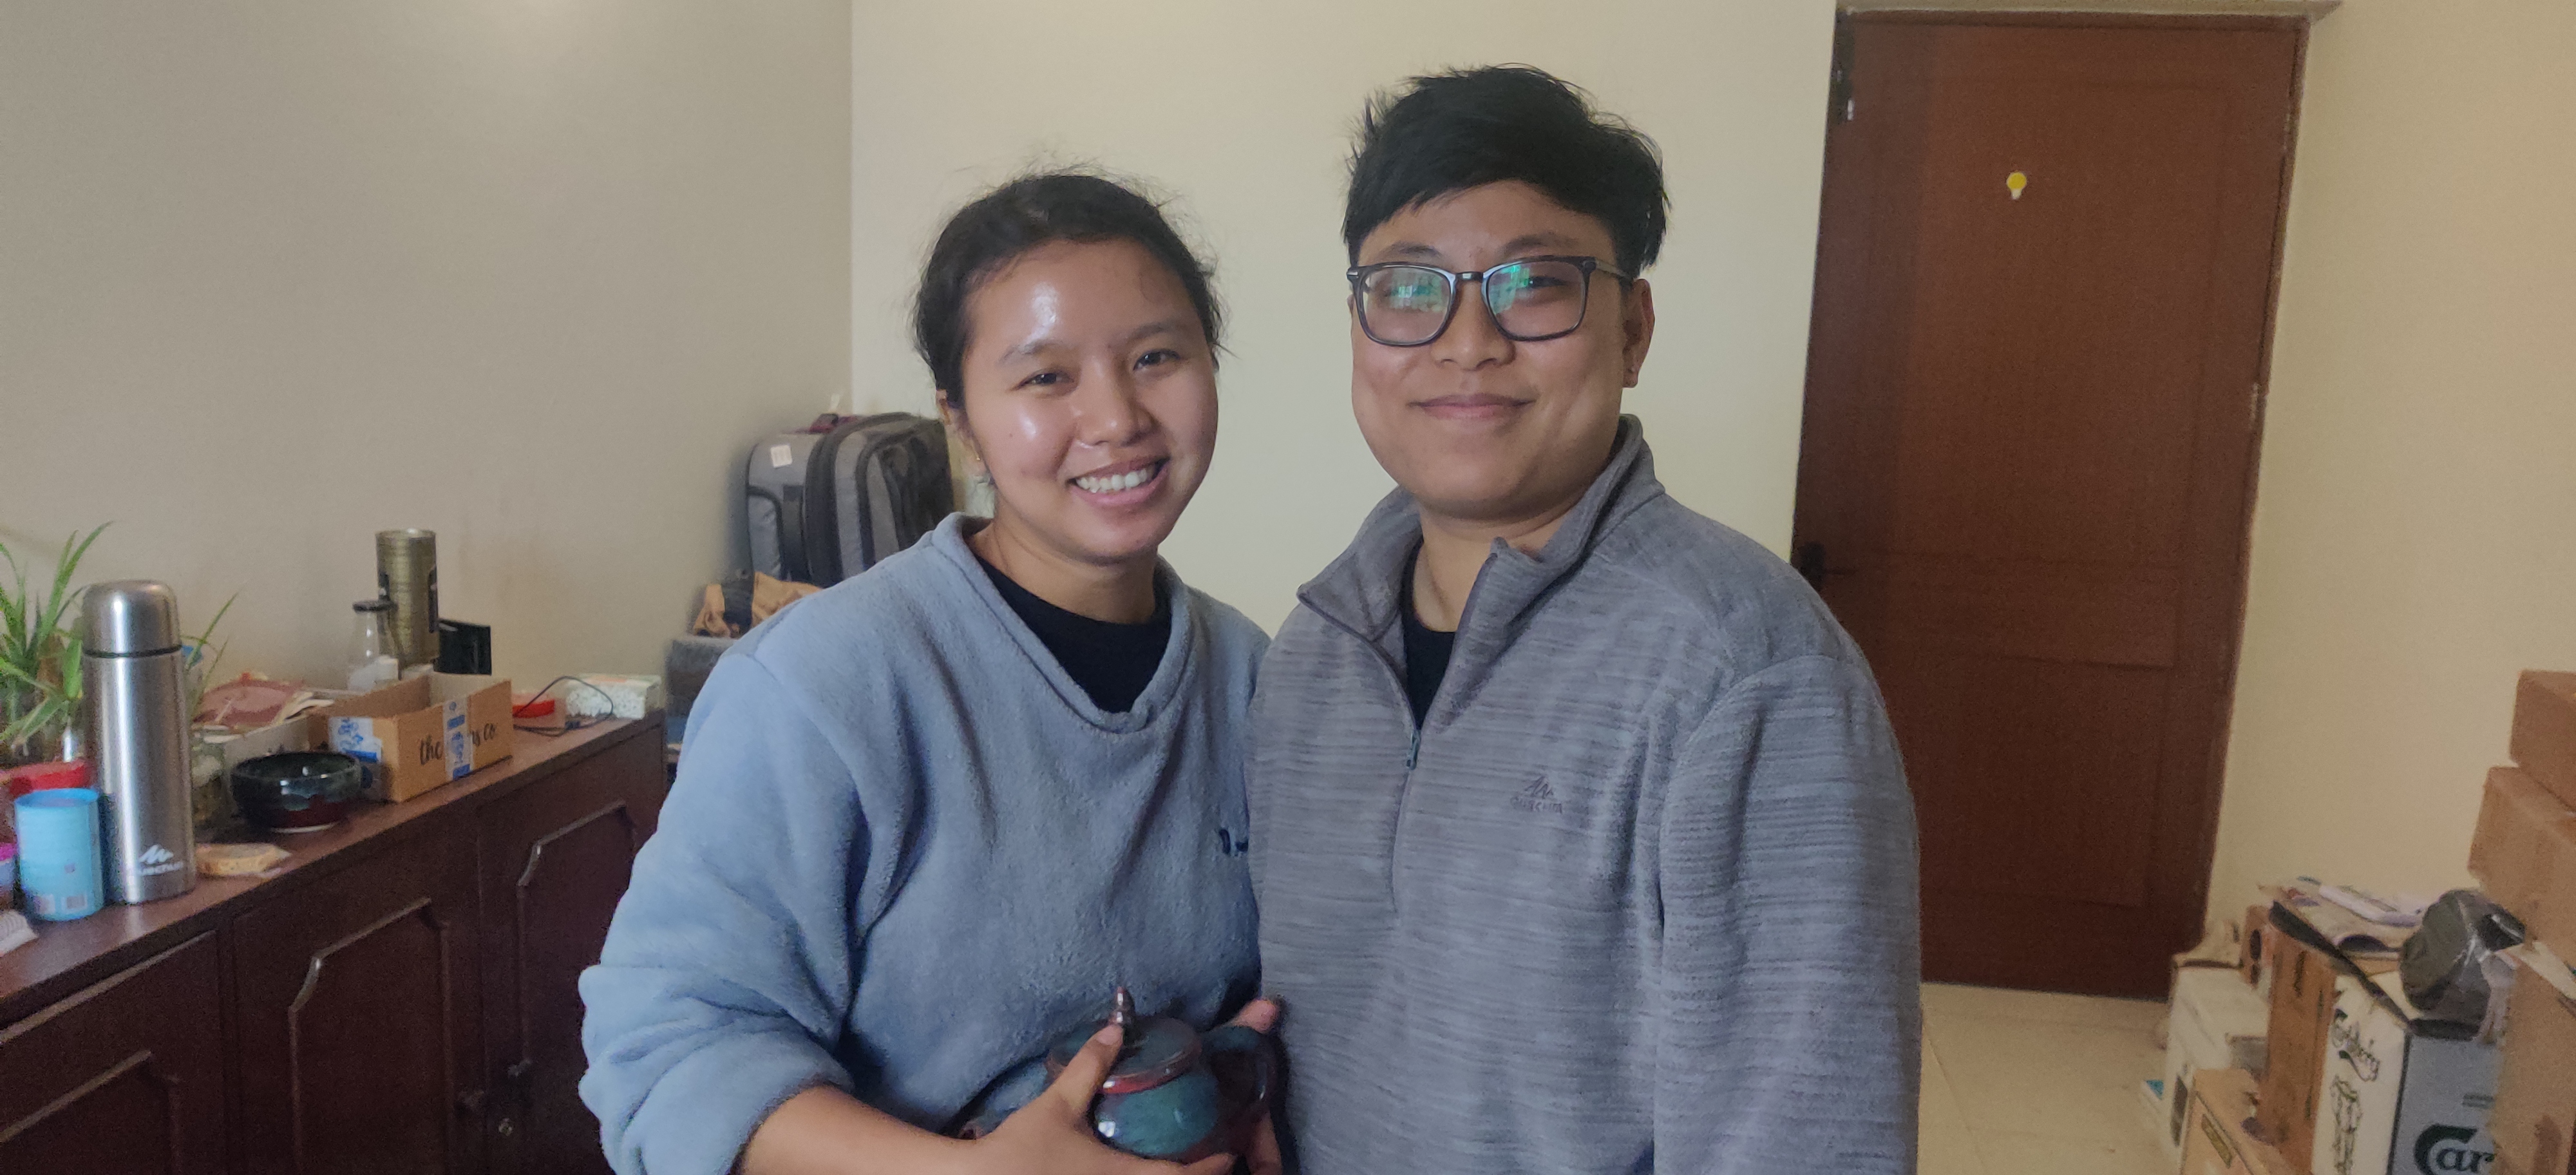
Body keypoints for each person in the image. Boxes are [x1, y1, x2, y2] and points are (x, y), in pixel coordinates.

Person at [1247, 67, 1920, 1173]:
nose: (1468, 341)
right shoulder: (1317, 650)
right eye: (1410, 288)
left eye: (1536, 284)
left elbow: (1803, 1139)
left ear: (1634, 328)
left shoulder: (1748, 674)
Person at [581, 172, 1280, 1175]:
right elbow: (669, 1048)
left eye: (1156, 357)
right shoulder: (825, 683)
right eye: (1045, 378)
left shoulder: (1252, 675)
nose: (1117, 416)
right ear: (959, 416)